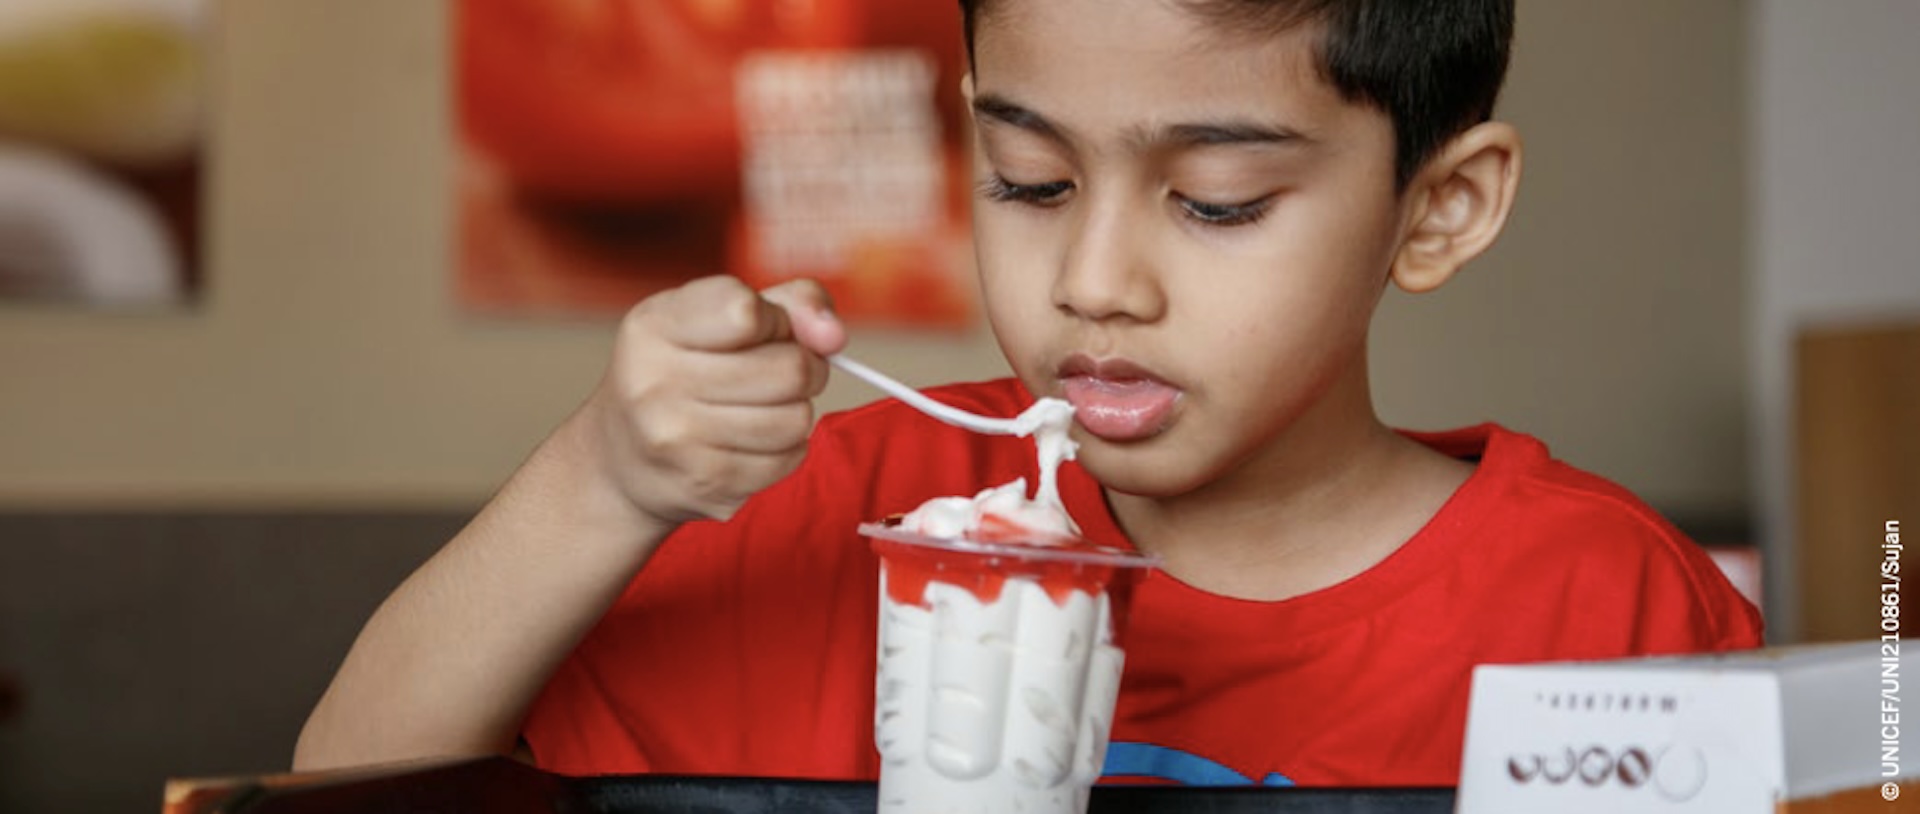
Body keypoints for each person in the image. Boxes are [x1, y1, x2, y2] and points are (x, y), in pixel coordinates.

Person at [294, 0, 1762, 787]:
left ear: (1436, 211)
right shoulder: (837, 515)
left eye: (1221, 202)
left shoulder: (1607, 609)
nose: (1094, 280)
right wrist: (599, 480)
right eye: (1029, 180)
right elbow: (342, 789)